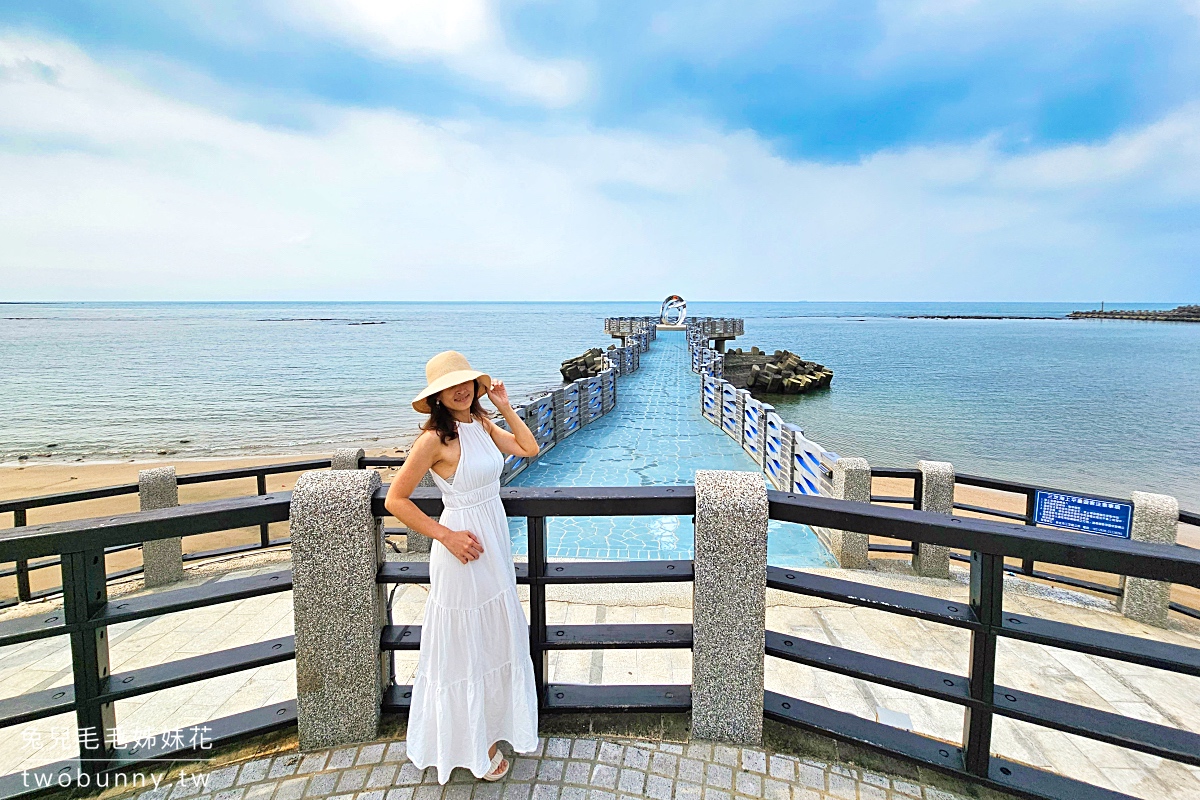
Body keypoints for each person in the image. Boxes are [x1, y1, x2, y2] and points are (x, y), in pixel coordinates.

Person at [383, 350, 542, 784]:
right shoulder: (435, 438)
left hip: (492, 537)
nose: (460, 389)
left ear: (476, 385)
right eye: (449, 385)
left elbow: (529, 448)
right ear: (436, 395)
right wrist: (445, 536)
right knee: (466, 643)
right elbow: (396, 499)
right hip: (462, 545)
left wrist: (505, 404)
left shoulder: (482, 425)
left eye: (466, 382)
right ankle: (475, 745)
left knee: (493, 636)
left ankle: (490, 728)